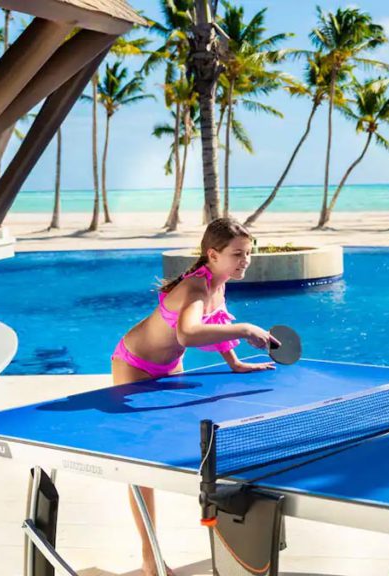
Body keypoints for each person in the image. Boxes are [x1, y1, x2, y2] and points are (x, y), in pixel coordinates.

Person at [112, 216, 278, 576]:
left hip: (169, 365)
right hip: (134, 364)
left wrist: (234, 361)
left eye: (248, 253)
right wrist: (247, 328)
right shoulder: (195, 288)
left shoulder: (217, 283)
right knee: (140, 464)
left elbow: (215, 323)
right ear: (212, 254)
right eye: (237, 254)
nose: (245, 261)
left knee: (197, 444)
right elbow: (188, 333)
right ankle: (149, 559)